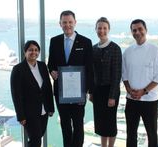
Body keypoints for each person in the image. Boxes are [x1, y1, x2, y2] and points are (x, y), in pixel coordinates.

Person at [47, 10, 93, 147]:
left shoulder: (86, 42)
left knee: (78, 125)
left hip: (79, 93)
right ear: (60, 24)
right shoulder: (54, 41)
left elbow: (89, 68)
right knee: (65, 125)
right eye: (64, 22)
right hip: (61, 93)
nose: (67, 25)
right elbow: (51, 63)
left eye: (70, 22)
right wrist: (52, 71)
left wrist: (88, 91)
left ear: (75, 23)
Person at [122, 19, 158, 147]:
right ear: (131, 32)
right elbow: (124, 75)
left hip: (150, 100)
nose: (137, 32)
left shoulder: (155, 50)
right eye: (134, 30)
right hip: (131, 100)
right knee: (130, 134)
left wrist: (144, 91)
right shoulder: (128, 52)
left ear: (146, 30)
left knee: (151, 134)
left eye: (140, 29)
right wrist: (129, 90)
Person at [10, 40, 55, 147]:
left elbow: (48, 88)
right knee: (35, 141)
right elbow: (16, 95)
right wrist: (20, 116)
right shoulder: (18, 69)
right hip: (29, 113)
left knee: (39, 136)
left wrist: (51, 108)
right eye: (30, 50)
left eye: (36, 50)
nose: (33, 52)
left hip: (44, 111)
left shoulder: (43, 66)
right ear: (25, 52)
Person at [89, 17, 122, 147]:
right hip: (97, 91)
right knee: (101, 122)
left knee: (110, 122)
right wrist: (91, 92)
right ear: (95, 29)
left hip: (110, 91)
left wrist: (112, 96)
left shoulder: (115, 48)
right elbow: (91, 74)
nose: (101, 30)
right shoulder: (93, 49)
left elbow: (117, 74)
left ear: (108, 30)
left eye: (104, 28)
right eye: (99, 28)